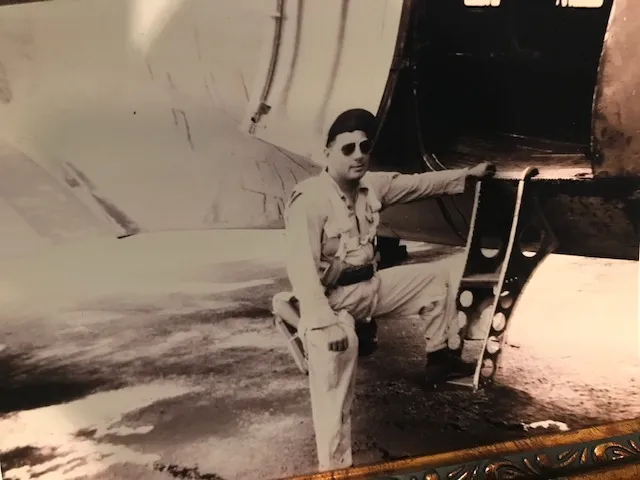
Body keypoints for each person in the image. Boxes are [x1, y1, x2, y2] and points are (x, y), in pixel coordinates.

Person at [282, 108, 495, 472]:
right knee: (336, 367)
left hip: (368, 287)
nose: (358, 155)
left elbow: (419, 184)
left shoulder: (372, 186)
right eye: (347, 148)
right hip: (329, 301)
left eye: (364, 146)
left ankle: (439, 357)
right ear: (327, 152)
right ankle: (334, 469)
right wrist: (325, 322)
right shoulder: (310, 199)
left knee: (434, 280)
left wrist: (468, 175)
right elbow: (301, 268)